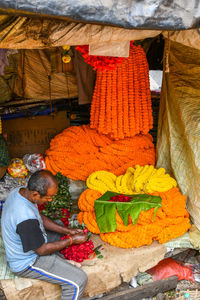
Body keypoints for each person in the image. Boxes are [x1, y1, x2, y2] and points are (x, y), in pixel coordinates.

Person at [1, 170, 88, 300]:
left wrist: (67, 231)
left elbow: (39, 217)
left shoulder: (21, 192)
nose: (50, 200)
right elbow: (41, 250)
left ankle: (62, 260)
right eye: (48, 197)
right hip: (27, 261)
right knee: (78, 280)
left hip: (32, 239)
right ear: (35, 194)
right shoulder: (24, 218)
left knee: (58, 225)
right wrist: (71, 240)